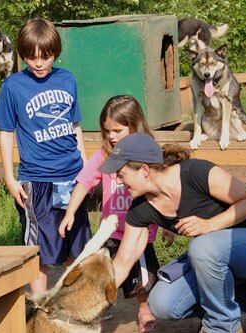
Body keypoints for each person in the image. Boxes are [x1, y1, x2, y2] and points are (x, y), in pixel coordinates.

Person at [98, 133, 246, 333]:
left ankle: (223, 327)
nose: (117, 179)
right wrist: (94, 301)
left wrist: (209, 225)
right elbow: (124, 260)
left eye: (121, 173)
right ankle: (219, 312)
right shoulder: (140, 208)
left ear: (144, 170)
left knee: (203, 246)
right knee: (161, 302)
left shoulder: (196, 172)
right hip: (211, 259)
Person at [0, 18, 91, 296]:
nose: (38, 63)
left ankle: (79, 302)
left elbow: (75, 126)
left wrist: (86, 168)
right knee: (40, 250)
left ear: (55, 52)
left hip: (72, 178)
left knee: (77, 245)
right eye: (31, 57)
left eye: (45, 56)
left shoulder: (67, 79)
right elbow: (6, 133)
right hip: (37, 180)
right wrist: (10, 179)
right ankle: (39, 304)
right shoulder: (13, 86)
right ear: (22, 55)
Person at [59, 95, 171, 332]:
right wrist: (70, 213)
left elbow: (163, 193)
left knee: (143, 280)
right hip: (110, 233)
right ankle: (97, 312)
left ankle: (144, 312)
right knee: (100, 279)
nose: (111, 136)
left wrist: (168, 226)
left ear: (135, 126)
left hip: (140, 234)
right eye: (107, 131)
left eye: (117, 130)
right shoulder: (104, 155)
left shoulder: (148, 155)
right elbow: (83, 182)